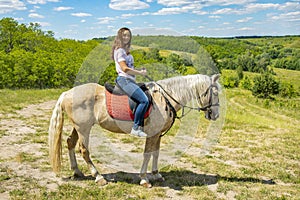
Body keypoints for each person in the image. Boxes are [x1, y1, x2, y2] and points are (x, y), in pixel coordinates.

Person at [112, 27, 149, 137]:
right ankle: (135, 128)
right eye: (124, 35)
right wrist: (140, 73)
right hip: (124, 80)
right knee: (144, 100)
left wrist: (138, 73)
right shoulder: (120, 51)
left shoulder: (126, 51)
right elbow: (125, 69)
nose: (126, 37)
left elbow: (130, 68)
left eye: (128, 35)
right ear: (120, 36)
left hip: (130, 80)